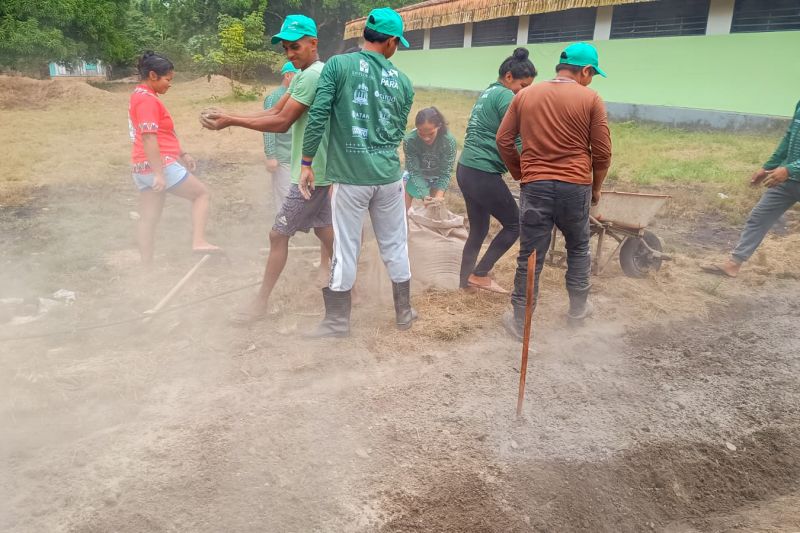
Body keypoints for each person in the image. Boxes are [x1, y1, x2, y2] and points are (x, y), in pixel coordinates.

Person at [199, 15, 333, 324]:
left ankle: (260, 303)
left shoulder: (314, 75)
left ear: (314, 43)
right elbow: (273, 110)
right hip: (317, 170)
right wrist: (228, 113)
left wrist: (231, 121)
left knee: (277, 235)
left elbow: (282, 123)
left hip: (311, 173)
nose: (289, 54)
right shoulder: (302, 74)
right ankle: (348, 284)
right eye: (286, 49)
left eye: (295, 47)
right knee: (327, 231)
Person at [298, 7, 415, 338]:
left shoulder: (338, 65)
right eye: (398, 43)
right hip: (390, 177)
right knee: (395, 242)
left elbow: (318, 115)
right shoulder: (403, 82)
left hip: (351, 179)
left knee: (346, 246)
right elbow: (396, 133)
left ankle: (337, 322)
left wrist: (307, 163)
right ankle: (404, 312)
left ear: (366, 35)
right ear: (391, 41)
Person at [496, 42, 612, 338]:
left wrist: (522, 173)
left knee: (530, 255)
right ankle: (577, 312)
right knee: (579, 248)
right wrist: (596, 188)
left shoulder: (525, 96)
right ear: (585, 70)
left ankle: (521, 322)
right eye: (592, 74)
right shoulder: (591, 99)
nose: (591, 79)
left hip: (536, 187)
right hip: (575, 187)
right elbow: (602, 153)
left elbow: (503, 140)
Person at [457, 48, 536, 294]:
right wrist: (530, 167)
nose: (523, 93)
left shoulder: (489, 91)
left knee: (479, 230)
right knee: (515, 224)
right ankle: (480, 274)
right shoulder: (506, 96)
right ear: (509, 77)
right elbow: (517, 137)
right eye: (523, 86)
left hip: (466, 168)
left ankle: (464, 281)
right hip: (482, 171)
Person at [128, 51, 219, 265]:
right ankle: (199, 241)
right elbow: (149, 137)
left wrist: (183, 153)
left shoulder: (139, 95)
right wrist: (159, 174)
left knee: (149, 219)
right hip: (158, 165)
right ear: (153, 75)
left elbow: (163, 133)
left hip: (141, 167)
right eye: (168, 79)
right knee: (201, 195)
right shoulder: (147, 101)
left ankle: (146, 268)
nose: (170, 84)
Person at [702, 99, 800, 278]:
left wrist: (790, 169)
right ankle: (734, 264)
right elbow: (789, 137)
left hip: (788, 172)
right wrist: (768, 167)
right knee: (759, 217)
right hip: (787, 179)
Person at [402, 107, 457, 211]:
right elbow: (414, 172)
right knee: (403, 207)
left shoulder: (449, 142)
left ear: (439, 127)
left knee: (434, 208)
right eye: (421, 133)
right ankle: (405, 225)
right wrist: (424, 196)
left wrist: (439, 196)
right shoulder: (410, 141)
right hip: (415, 174)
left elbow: (445, 173)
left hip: (437, 175)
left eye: (431, 133)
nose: (426, 138)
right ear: (416, 128)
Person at [264, 61, 299, 210]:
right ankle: (282, 228)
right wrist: (271, 156)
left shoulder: (299, 96)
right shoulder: (274, 98)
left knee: (296, 194)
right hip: (283, 157)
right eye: (299, 75)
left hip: (298, 156)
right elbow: (268, 127)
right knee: (285, 196)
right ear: (288, 75)